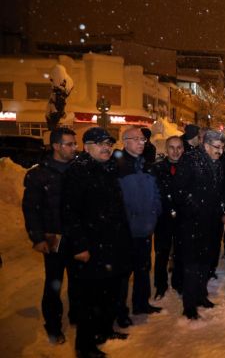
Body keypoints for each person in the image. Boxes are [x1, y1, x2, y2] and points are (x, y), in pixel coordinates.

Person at [61, 127, 132, 358]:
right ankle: (85, 346)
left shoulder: (109, 169)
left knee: (109, 294)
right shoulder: (77, 172)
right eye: (101, 143)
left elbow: (117, 209)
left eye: (109, 144)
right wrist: (80, 246)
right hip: (91, 248)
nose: (106, 148)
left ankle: (104, 331)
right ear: (87, 146)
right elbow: (69, 214)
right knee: (89, 299)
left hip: (112, 245)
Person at [22, 127, 78, 344]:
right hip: (53, 238)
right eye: (70, 144)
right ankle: (53, 326)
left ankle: (76, 316)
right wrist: (37, 238)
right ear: (56, 146)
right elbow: (30, 209)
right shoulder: (39, 174)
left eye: (75, 144)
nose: (75, 148)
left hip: (76, 237)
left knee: (77, 281)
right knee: (54, 284)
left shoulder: (77, 170)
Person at [173, 130, 225, 320]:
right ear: (205, 145)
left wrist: (221, 210)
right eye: (217, 147)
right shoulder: (190, 160)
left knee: (206, 261)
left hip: (211, 223)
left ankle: (201, 295)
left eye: (222, 148)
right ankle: (189, 305)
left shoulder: (218, 164)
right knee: (192, 264)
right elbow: (179, 191)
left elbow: (219, 191)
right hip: (192, 222)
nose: (220, 151)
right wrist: (196, 208)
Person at [114, 127, 163, 327]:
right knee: (123, 274)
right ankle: (120, 313)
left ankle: (141, 303)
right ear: (125, 142)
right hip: (126, 231)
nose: (141, 143)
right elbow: (115, 201)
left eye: (142, 139)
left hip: (145, 227)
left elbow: (156, 192)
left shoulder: (146, 165)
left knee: (143, 269)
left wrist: (155, 211)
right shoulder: (118, 166)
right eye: (136, 140)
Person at [149, 136, 185, 299]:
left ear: (183, 149)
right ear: (166, 149)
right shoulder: (156, 169)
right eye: (172, 147)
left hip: (182, 218)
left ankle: (178, 282)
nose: (175, 151)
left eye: (178, 147)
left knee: (180, 252)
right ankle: (160, 285)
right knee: (161, 253)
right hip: (162, 218)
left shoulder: (188, 168)